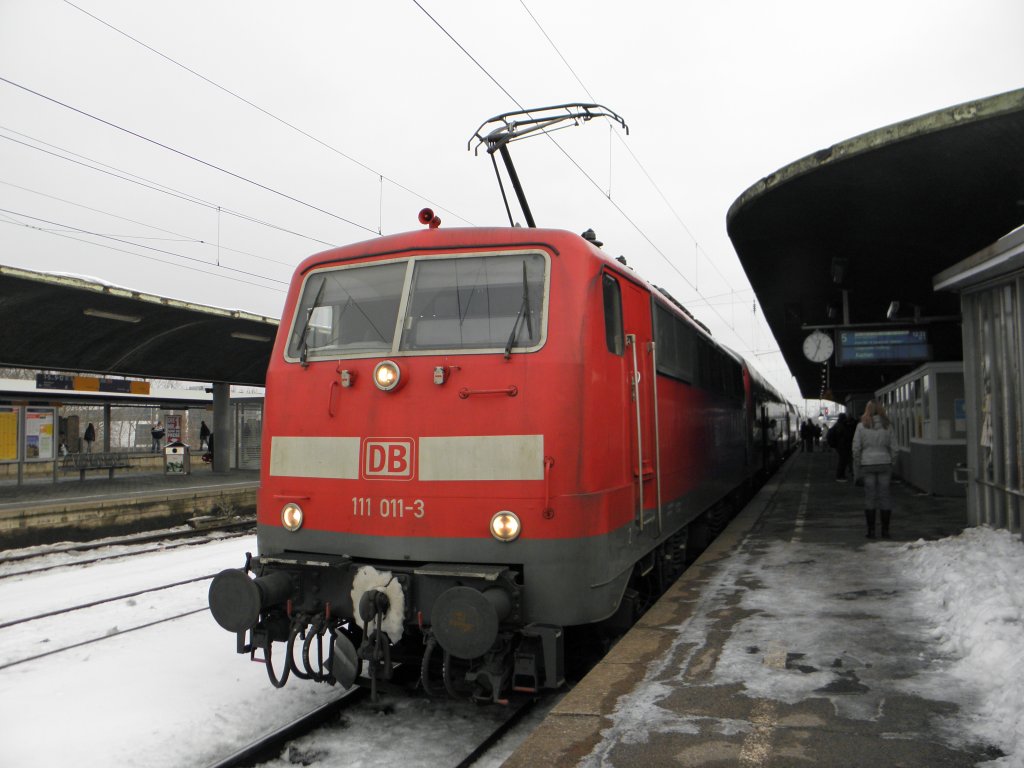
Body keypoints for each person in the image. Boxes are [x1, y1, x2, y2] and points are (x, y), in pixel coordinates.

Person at [852, 400, 895, 539]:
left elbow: (856, 448)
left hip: (867, 465)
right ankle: (885, 531)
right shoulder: (887, 426)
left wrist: (858, 465)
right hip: (884, 463)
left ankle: (871, 531)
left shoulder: (861, 426)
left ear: (867, 410)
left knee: (870, 497)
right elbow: (895, 448)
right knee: (885, 496)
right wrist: (891, 462)